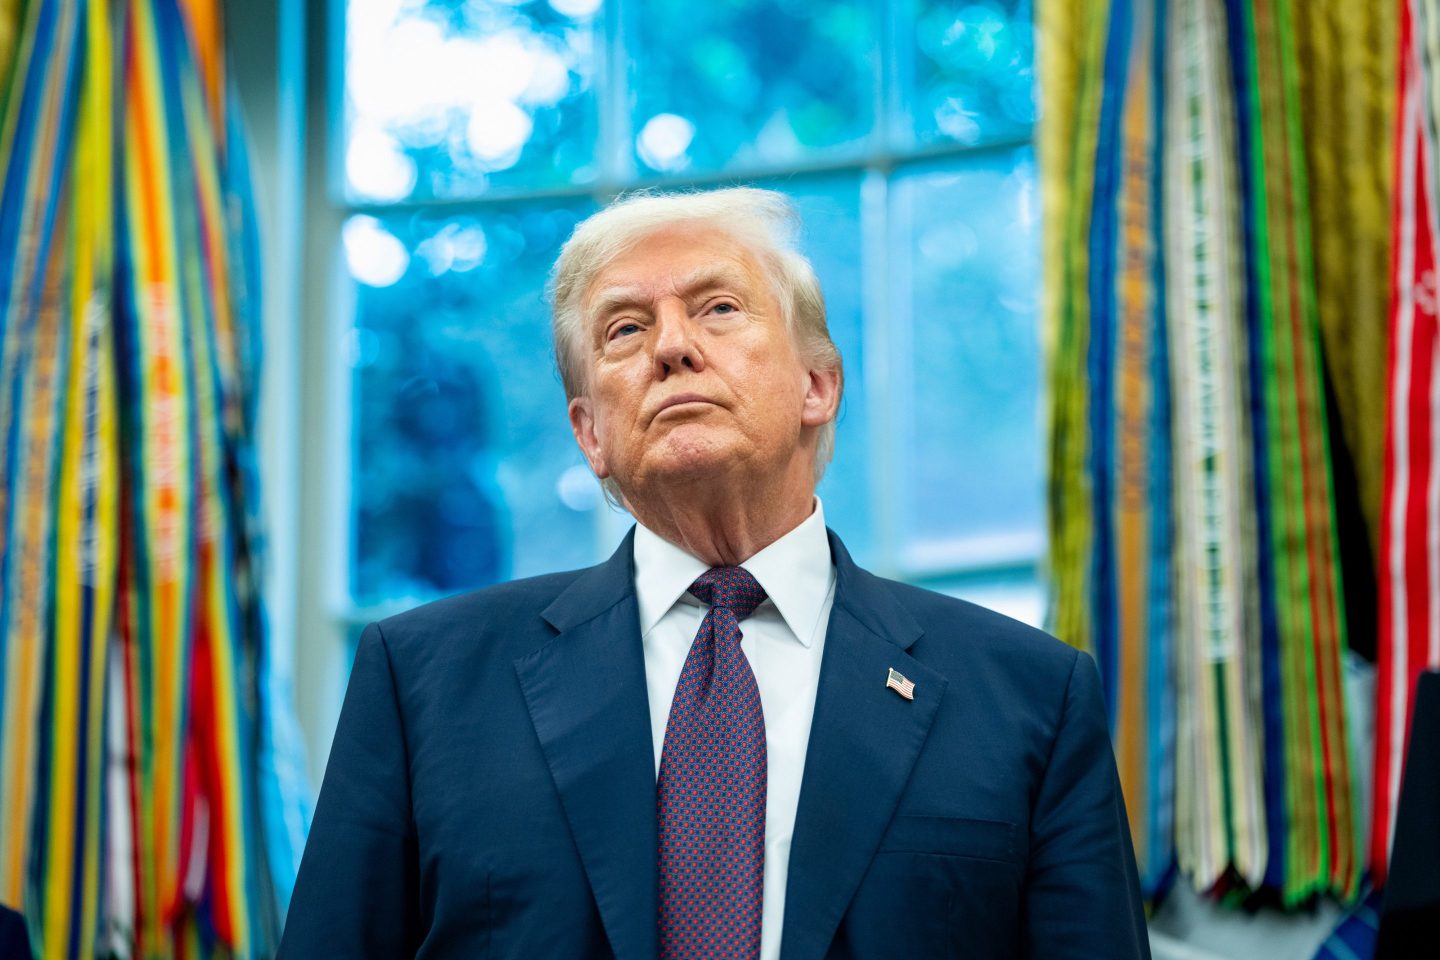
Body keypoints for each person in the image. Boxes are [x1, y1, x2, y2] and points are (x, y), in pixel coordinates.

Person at [278, 188, 1150, 959]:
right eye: (624, 329)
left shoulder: (1029, 695)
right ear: (590, 433)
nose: (671, 348)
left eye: (719, 308)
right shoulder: (423, 683)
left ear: (818, 384)